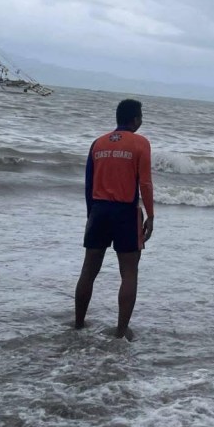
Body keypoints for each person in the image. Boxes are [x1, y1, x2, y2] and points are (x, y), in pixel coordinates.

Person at [74, 98, 154, 340]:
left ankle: (78, 324)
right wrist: (151, 215)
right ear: (136, 119)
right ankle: (121, 331)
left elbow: (89, 183)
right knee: (129, 272)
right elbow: (145, 183)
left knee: (88, 270)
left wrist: (91, 214)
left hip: (99, 210)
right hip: (125, 212)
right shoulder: (141, 143)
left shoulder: (98, 143)